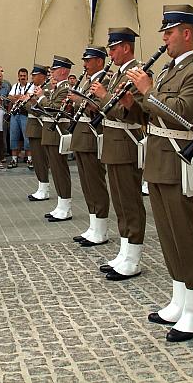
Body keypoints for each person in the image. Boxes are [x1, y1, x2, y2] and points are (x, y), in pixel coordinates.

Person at [126, 7, 193, 340]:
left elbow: (180, 114)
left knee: (185, 235)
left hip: (181, 158)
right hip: (159, 159)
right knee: (167, 234)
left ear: (187, 33)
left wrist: (148, 91)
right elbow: (150, 113)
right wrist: (133, 98)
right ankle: (179, 298)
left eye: (169, 32)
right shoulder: (167, 70)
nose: (163, 39)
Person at [90, 28, 147, 281]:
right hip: (114, 143)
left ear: (126, 47)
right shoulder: (117, 76)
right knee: (120, 203)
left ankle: (133, 257)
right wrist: (97, 100)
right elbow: (107, 109)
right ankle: (125, 251)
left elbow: (127, 113)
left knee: (130, 201)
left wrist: (102, 98)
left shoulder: (137, 74)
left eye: (113, 49)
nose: (110, 53)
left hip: (126, 142)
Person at [69, 45, 111, 246]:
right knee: (86, 184)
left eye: (88, 60)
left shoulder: (105, 80)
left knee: (95, 183)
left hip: (92, 137)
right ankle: (94, 225)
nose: (84, 64)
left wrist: (78, 100)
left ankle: (101, 228)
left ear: (99, 61)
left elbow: (99, 107)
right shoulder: (89, 81)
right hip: (82, 136)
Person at [34, 55, 74, 221]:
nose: (51, 72)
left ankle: (65, 206)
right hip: (50, 133)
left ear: (63, 71)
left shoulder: (65, 88)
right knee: (56, 171)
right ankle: (61, 204)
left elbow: (56, 108)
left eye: (55, 69)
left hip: (57, 132)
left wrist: (42, 97)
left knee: (60, 170)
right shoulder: (56, 87)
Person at [24, 64, 50, 200]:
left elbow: (37, 109)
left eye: (35, 75)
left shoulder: (45, 90)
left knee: (40, 159)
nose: (32, 77)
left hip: (39, 127)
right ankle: (41, 187)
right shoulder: (35, 89)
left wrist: (26, 102)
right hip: (33, 126)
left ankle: (44, 189)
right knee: (37, 159)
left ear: (42, 76)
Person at [7, 68, 32, 168]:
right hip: (15, 114)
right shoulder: (15, 86)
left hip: (25, 114)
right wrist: (18, 97)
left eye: (24, 76)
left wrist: (23, 97)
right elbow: (9, 97)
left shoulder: (31, 86)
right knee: (13, 136)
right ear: (18, 77)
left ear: (27, 77)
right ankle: (14, 159)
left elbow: (31, 97)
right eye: (21, 76)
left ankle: (29, 159)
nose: (22, 78)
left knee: (27, 137)